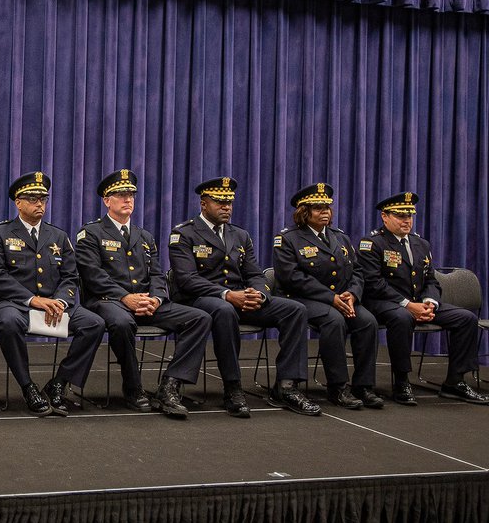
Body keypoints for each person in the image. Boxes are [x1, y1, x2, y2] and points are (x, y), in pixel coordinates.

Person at [168, 177, 320, 418]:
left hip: (241, 298)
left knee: (295, 310)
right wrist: (227, 294)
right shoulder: (183, 233)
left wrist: (258, 293)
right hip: (199, 299)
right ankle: (233, 387)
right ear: (204, 203)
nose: (226, 207)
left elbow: (254, 273)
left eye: (229, 202)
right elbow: (187, 279)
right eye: (220, 202)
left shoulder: (240, 235)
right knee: (224, 310)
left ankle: (287, 386)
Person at [74, 169, 209, 419]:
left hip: (146, 303)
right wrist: (126, 297)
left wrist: (156, 299)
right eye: (121, 195)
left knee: (199, 318)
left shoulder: (144, 236)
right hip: (108, 302)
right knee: (122, 322)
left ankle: (170, 385)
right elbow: (92, 275)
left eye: (131, 195)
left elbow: (158, 275)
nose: (128, 200)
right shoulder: (90, 233)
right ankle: (133, 387)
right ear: (107, 200)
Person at [0, 172, 105, 416]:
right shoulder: (0, 234)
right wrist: (33, 300)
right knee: (8, 323)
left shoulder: (58, 236)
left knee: (94, 323)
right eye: (32, 198)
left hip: (54, 302)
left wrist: (60, 301)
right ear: (18, 202)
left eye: (43, 199)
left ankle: (59, 382)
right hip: (12, 304)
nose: (40, 204)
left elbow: (71, 277)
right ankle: (28, 386)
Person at [358, 192, 488, 406]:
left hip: (419, 301)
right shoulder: (372, 244)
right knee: (402, 318)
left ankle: (455, 382)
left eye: (409, 215)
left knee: (465, 318)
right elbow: (373, 283)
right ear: (385, 216)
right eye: (400, 215)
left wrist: (430, 302)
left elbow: (430, 280)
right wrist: (409, 305)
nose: (406, 220)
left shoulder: (421, 244)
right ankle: (401, 381)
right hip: (385, 303)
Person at [273, 183, 382, 410]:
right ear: (304, 212)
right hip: (302, 299)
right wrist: (331, 298)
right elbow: (292, 278)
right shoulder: (288, 239)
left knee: (367, 321)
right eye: (318, 208)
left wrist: (352, 294)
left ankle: (363, 385)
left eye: (327, 208)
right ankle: (337, 386)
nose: (325, 212)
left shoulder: (340, 237)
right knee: (334, 320)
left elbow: (358, 271)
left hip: (342, 299)